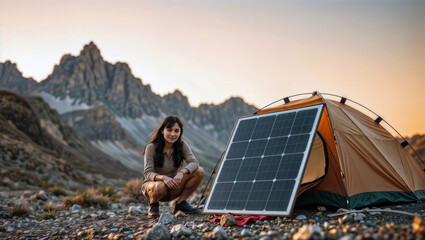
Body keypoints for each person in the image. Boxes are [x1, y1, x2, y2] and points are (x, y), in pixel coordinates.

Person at [141, 115, 204, 218]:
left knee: (199, 171)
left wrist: (181, 172)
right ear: (162, 131)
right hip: (155, 188)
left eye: (176, 131)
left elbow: (194, 163)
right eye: (169, 130)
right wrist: (163, 178)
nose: (173, 134)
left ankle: (181, 204)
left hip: (173, 187)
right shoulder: (151, 147)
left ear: (180, 132)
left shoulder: (183, 145)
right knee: (160, 185)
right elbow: (148, 173)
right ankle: (153, 205)